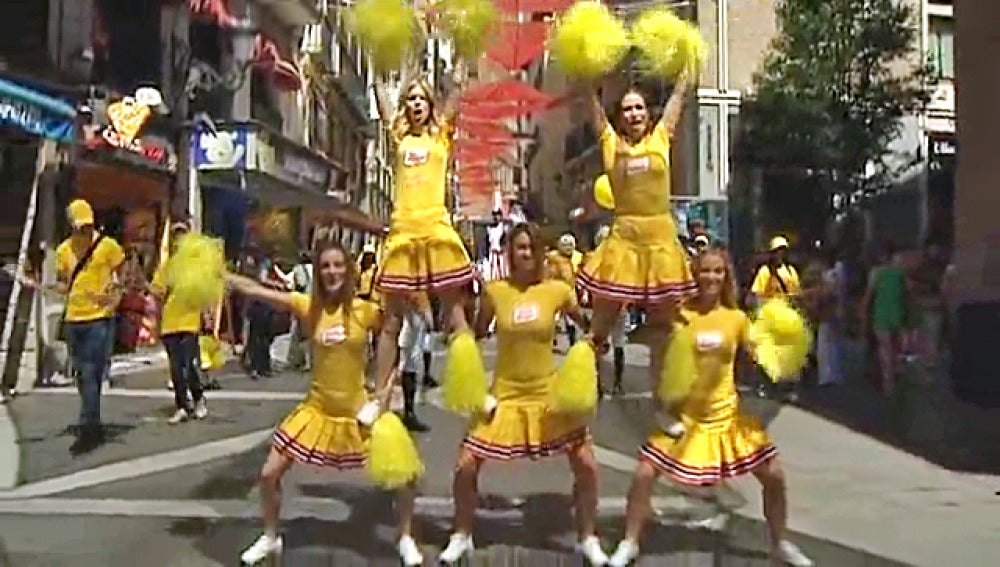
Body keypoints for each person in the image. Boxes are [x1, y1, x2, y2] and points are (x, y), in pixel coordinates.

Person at [606, 246, 813, 567]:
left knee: (773, 476)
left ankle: (779, 544)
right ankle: (629, 541)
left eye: (718, 271)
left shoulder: (736, 319)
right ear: (694, 275)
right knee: (644, 475)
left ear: (726, 276)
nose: (711, 277)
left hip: (727, 419)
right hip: (685, 421)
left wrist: (781, 353)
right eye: (705, 271)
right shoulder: (679, 317)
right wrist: (661, 406)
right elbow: (658, 358)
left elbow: (758, 353)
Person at [227, 240, 425, 566]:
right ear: (318, 273)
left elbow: (396, 336)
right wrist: (227, 279)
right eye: (325, 266)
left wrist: (384, 393)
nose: (332, 272)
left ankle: (404, 537)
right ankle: (270, 537)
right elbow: (259, 291)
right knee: (268, 474)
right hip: (317, 410)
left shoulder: (365, 310)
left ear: (348, 269)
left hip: (359, 412)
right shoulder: (309, 307)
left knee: (406, 476)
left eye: (337, 265)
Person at [438, 223, 607, 566]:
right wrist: (457, 328)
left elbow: (585, 325)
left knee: (587, 466)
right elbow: (480, 330)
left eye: (530, 247)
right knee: (465, 466)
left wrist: (600, 331)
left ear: (540, 252)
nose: (525, 253)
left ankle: (587, 538)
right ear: (510, 253)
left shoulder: (558, 291)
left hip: (548, 394)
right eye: (519, 247)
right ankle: (461, 535)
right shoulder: (495, 292)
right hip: (505, 395)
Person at [578, 75, 697, 394]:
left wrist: (686, 68)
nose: (633, 114)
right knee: (599, 329)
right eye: (627, 109)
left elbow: (678, 99)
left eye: (639, 108)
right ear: (619, 116)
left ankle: (669, 395)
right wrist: (582, 72)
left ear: (648, 112)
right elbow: (593, 108)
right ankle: (583, 391)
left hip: (660, 241)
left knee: (668, 328)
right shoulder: (609, 142)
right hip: (624, 242)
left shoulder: (661, 136)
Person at [370, 63, 478, 402]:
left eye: (422, 99)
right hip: (403, 231)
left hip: (436, 228)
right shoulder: (399, 137)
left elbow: (457, 94)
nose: (416, 104)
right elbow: (380, 94)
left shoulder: (441, 135)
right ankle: (379, 397)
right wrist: (378, 60)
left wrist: (463, 63)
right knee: (392, 322)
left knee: (454, 314)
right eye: (411, 99)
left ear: (431, 105)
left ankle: (474, 387)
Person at [55, 199, 127, 455]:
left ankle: (89, 427)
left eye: (86, 226)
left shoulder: (107, 247)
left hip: (99, 318)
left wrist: (116, 296)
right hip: (75, 318)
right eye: (78, 226)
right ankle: (91, 420)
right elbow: (64, 284)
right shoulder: (64, 251)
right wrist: (41, 286)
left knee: (90, 370)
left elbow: (123, 270)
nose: (82, 231)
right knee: (83, 373)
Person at [150, 222, 210, 424]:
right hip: (170, 323)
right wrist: (145, 286)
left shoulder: (196, 266)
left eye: (183, 235)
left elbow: (205, 291)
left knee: (191, 365)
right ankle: (182, 405)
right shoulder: (168, 266)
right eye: (176, 236)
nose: (179, 240)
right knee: (176, 368)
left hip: (190, 322)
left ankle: (199, 398)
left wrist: (207, 314)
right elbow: (158, 291)